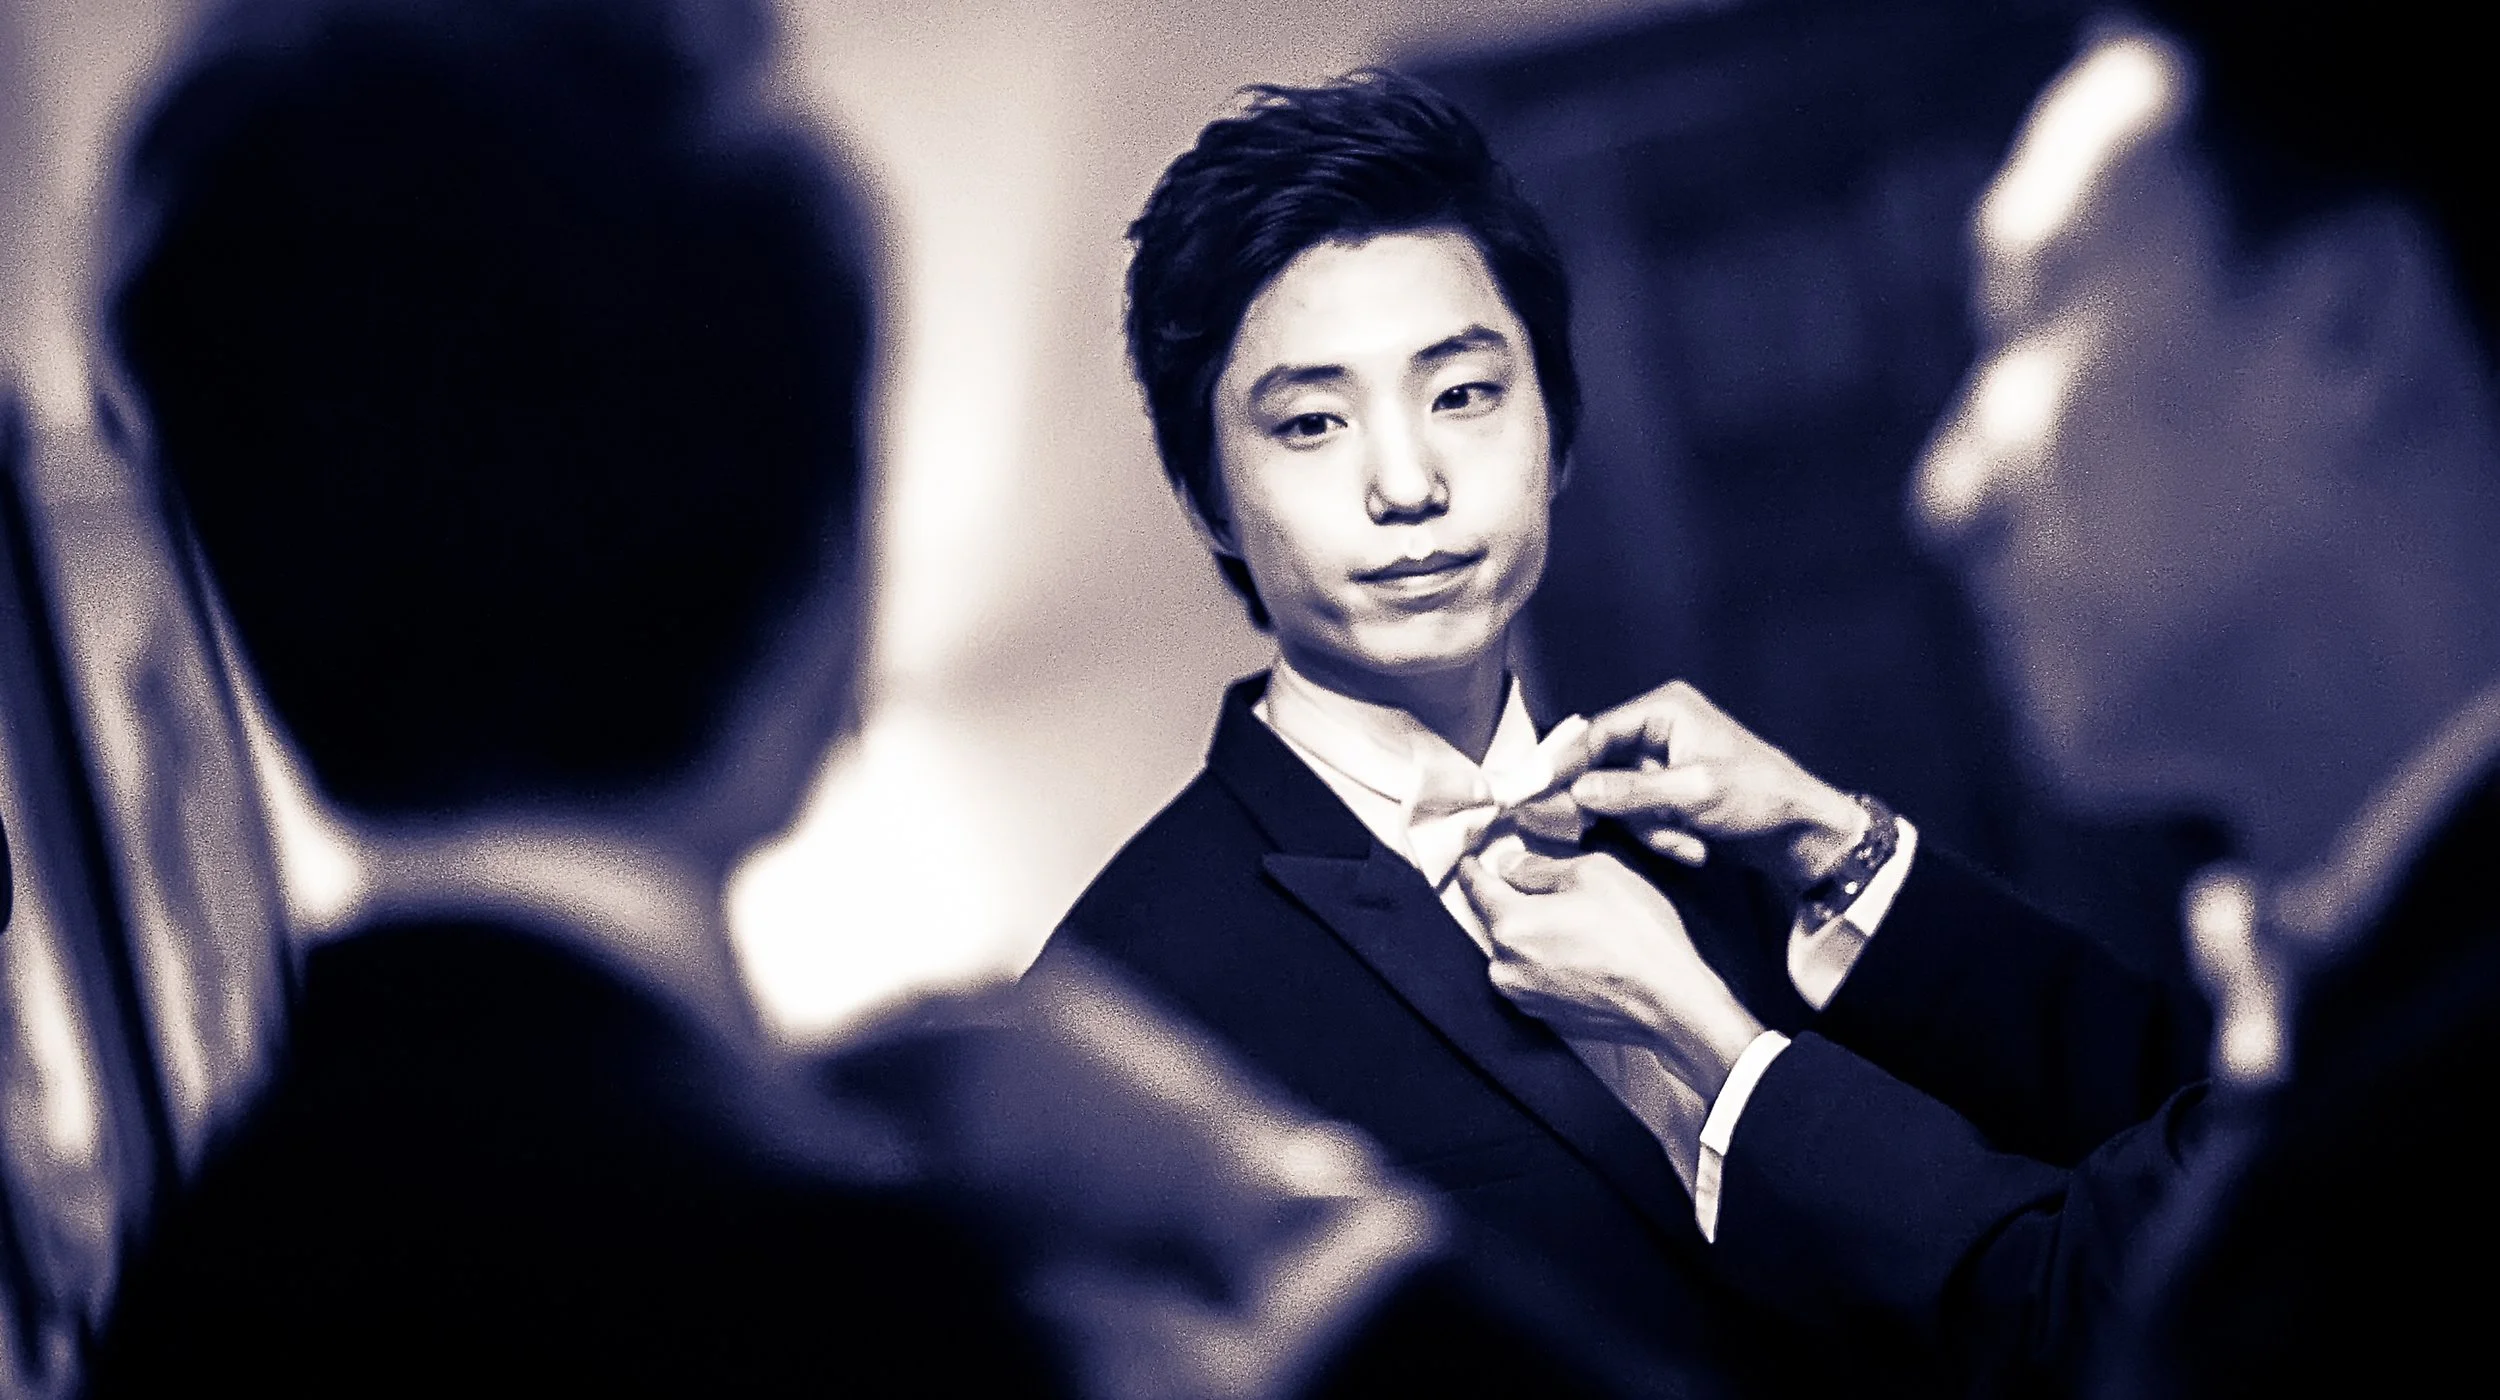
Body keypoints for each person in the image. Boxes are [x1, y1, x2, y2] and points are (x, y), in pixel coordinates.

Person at [81, 5, 1637, 1396]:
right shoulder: (879, 1301)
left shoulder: (177, 1312)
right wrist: (1291, 1225)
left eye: (1465, 390)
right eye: (1308, 419)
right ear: (828, 578)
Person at [1463, 2, 2500, 1395]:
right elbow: (2168, 1139)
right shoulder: (2347, 957)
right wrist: (1840, 847)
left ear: (2345, 324)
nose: (1944, 493)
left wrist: (1701, 1041)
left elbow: (2092, 1307)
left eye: (2026, 314)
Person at [1033, 70, 1934, 1398]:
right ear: (1207, 495)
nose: (1409, 485)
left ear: (1556, 428)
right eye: (1312, 424)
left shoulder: (1741, 833)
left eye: (1461, 394)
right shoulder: (1124, 993)